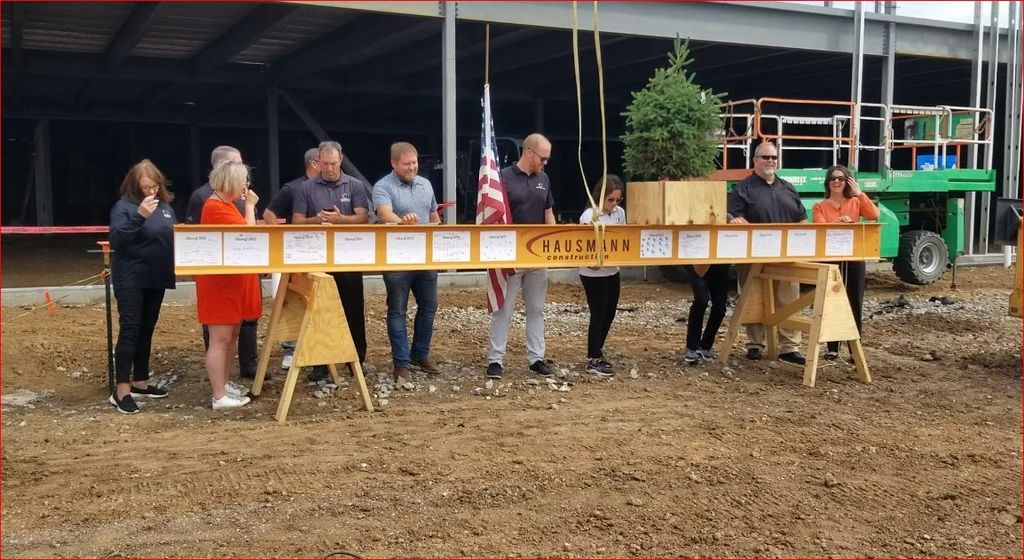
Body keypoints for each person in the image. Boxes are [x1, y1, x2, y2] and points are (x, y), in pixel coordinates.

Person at [292, 141, 370, 380]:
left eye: (334, 164)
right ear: (318, 162)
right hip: (318, 258)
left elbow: (363, 218)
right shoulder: (306, 188)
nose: (329, 168)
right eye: (325, 164)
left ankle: (356, 357)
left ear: (341, 159)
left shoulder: (354, 185)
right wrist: (317, 220)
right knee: (318, 309)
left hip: (348, 258)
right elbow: (297, 222)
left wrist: (339, 220)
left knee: (353, 307)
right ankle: (321, 362)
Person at [727, 141, 808, 365]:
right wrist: (736, 221)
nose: (770, 161)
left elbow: (802, 219)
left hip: (786, 256)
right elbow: (735, 217)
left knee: (789, 300)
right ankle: (754, 344)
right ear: (755, 161)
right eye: (765, 157)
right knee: (754, 297)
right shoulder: (743, 188)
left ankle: (789, 347)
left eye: (773, 157)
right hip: (754, 255)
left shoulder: (788, 188)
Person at [486, 133, 556, 379]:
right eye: (543, 158)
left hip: (537, 258)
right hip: (510, 256)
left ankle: (536, 357)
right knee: (503, 309)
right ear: (529, 152)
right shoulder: (501, 178)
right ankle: (496, 360)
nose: (545, 163)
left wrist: (551, 244)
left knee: (536, 309)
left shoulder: (544, 179)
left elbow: (548, 213)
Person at [107, 159, 176, 414]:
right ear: (135, 187)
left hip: (156, 276)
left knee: (147, 328)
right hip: (131, 277)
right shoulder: (123, 207)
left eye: (154, 186)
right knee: (131, 329)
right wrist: (139, 217)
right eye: (145, 187)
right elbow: (117, 239)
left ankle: (141, 381)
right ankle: (121, 390)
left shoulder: (165, 207)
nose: (150, 192)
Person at [186, 145, 259, 379]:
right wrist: (249, 206)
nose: (244, 187)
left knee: (229, 338)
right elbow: (248, 237)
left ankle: (225, 386)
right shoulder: (216, 206)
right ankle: (219, 393)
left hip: (230, 283)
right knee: (220, 339)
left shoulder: (223, 204)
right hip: (220, 285)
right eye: (242, 182)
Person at [373, 142, 442, 383]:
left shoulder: (426, 185)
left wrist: (438, 232)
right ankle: (400, 363)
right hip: (396, 261)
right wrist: (401, 222)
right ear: (394, 163)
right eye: (407, 164)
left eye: (414, 162)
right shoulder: (383, 186)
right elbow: (384, 214)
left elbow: (434, 217)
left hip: (425, 258)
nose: (412, 167)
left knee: (430, 306)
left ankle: (420, 353)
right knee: (397, 310)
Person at [812, 164, 880, 362]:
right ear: (828, 182)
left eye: (841, 178)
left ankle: (854, 349)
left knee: (854, 303)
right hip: (831, 261)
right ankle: (832, 347)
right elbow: (820, 227)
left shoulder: (855, 203)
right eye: (833, 178)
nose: (836, 182)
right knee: (831, 304)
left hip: (854, 259)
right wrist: (837, 224)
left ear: (847, 182)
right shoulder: (820, 206)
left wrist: (860, 194)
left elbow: (874, 215)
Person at [263, 147, 318, 371]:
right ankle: (289, 348)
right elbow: (268, 213)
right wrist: (284, 239)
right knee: (291, 299)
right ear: (315, 163)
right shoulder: (292, 188)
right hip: (296, 255)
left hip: (320, 254)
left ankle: (316, 346)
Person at [577, 174, 626, 377]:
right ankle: (593, 357)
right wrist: (591, 261)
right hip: (593, 272)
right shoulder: (589, 215)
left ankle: (597, 349)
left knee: (610, 311)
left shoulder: (619, 213)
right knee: (598, 312)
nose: (614, 204)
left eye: (618, 200)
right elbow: (582, 244)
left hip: (612, 269)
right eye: (610, 200)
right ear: (601, 196)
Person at [682, 264, 730, 365]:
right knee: (701, 301)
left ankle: (706, 346)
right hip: (698, 262)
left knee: (720, 308)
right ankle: (692, 347)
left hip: (720, 265)